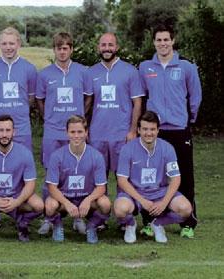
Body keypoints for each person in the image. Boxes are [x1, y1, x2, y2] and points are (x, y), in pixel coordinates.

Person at [138, 25, 201, 238]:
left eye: (166, 39)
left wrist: (187, 120)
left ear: (173, 41)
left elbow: (195, 98)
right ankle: (151, 221)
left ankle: (188, 223)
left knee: (184, 175)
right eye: (159, 40)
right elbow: (143, 97)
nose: (163, 44)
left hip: (179, 130)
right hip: (154, 132)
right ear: (153, 42)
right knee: (153, 177)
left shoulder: (186, 67)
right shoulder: (145, 67)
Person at [36, 32, 88, 235]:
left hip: (75, 132)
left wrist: (79, 118)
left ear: (71, 49)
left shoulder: (82, 72)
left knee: (78, 171)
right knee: (52, 173)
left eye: (66, 47)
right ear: (54, 50)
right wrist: (48, 118)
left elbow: (88, 98)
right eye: (59, 48)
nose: (62, 51)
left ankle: (78, 217)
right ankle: (50, 217)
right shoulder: (45, 74)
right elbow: (40, 100)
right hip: (52, 131)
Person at [114, 111, 193, 243]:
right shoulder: (127, 149)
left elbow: (176, 178)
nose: (148, 133)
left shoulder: (168, 148)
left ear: (158, 130)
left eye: (152, 129)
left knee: (186, 209)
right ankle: (130, 224)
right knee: (120, 209)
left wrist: (163, 203)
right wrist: (142, 201)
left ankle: (158, 224)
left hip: (159, 192)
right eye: (145, 129)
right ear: (138, 130)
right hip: (136, 193)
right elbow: (122, 180)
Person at [44, 115, 111, 244]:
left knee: (105, 204)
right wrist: (67, 203)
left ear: (86, 133)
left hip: (87, 199)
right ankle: (58, 226)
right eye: (72, 132)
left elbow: (101, 187)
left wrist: (88, 199)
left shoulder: (96, 156)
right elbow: (52, 187)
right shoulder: (57, 156)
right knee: (50, 205)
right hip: (65, 200)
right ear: (67, 133)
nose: (76, 136)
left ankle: (92, 226)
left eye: (80, 132)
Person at [84, 32, 143, 176]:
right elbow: (87, 104)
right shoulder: (90, 72)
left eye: (110, 45)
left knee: (124, 178)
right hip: (97, 135)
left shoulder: (130, 71)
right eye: (103, 45)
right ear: (98, 47)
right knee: (97, 179)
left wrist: (133, 131)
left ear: (117, 47)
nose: (107, 48)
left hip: (121, 135)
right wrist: (83, 129)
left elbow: (138, 103)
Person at [0, 27, 37, 151]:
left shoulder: (29, 68)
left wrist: (19, 110)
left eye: (12, 43)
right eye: (4, 43)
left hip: (21, 127)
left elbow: (31, 97)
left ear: (18, 44)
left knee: (22, 164)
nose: (8, 47)